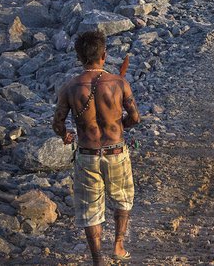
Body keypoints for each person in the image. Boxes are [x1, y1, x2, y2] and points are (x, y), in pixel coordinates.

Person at [52, 30, 140, 266]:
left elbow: (58, 123)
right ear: (104, 55)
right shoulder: (119, 83)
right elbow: (135, 118)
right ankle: (118, 246)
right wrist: (118, 125)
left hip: (87, 155)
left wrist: (66, 135)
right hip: (116, 152)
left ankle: (98, 259)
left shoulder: (70, 87)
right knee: (123, 199)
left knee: (90, 209)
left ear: (80, 58)